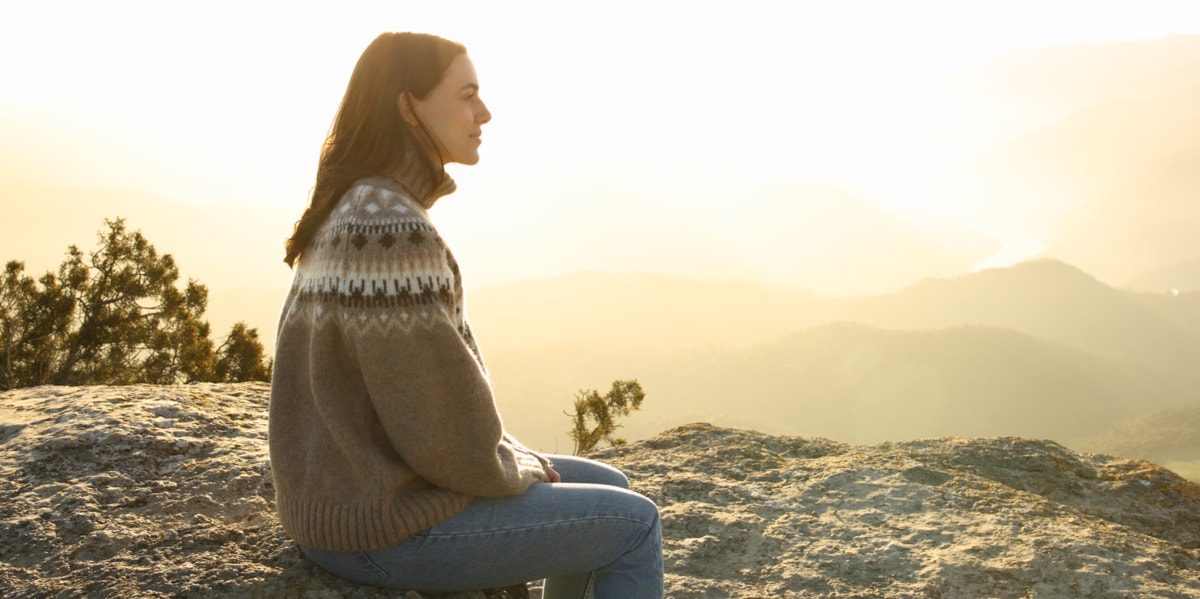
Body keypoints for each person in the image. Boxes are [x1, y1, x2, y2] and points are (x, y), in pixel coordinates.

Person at [268, 32, 664, 598]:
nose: (485, 112)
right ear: (409, 107)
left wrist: (512, 457)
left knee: (610, 483)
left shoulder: (356, 203)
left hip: (341, 507)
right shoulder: (392, 232)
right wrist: (511, 465)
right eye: (467, 95)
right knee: (634, 523)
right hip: (382, 530)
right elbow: (445, 437)